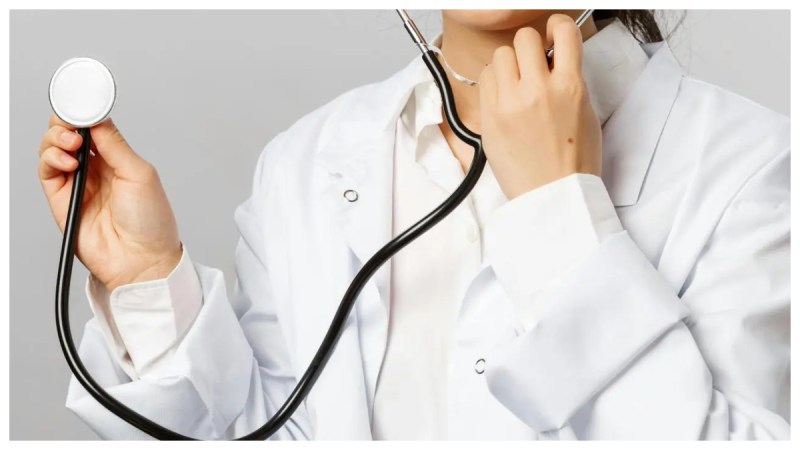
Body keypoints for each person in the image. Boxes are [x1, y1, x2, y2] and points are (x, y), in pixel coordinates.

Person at [37, 10, 789, 440]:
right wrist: (150, 286)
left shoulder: (755, 166)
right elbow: (267, 431)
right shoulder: (307, 161)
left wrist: (559, 213)